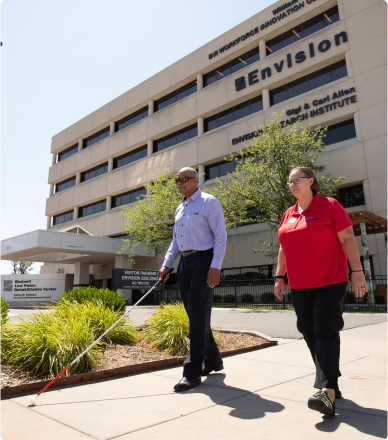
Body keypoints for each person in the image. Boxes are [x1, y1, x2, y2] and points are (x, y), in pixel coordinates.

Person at [274, 166, 367, 416]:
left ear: (311, 180)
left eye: (297, 180)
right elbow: (283, 247)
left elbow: (347, 237)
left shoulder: (329, 205)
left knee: (325, 327)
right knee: (307, 329)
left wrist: (357, 271)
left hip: (330, 280)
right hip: (300, 284)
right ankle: (332, 378)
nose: (292, 184)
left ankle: (326, 393)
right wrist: (279, 276)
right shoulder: (288, 213)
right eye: (289, 181)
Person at [157, 167, 227, 391]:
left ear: (196, 181)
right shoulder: (180, 208)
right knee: (195, 315)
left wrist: (215, 266)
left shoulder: (209, 202)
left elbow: (220, 235)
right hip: (185, 263)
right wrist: (167, 264)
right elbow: (176, 242)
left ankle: (192, 372)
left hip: (204, 262)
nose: (179, 183)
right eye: (177, 180)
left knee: (197, 318)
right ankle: (213, 359)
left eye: (184, 179)